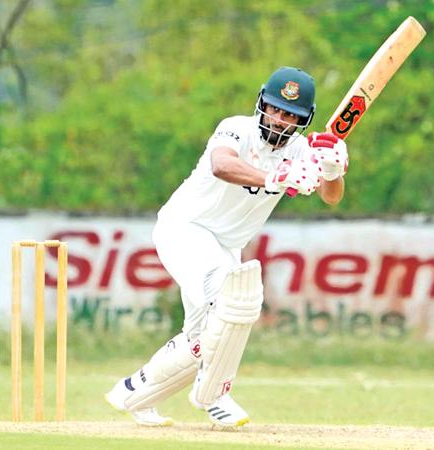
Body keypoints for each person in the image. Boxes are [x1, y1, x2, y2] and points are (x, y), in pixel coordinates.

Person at [105, 66, 348, 427]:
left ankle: (133, 395)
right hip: (185, 228)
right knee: (238, 299)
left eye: (290, 115)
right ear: (261, 103)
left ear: (303, 120)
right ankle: (214, 394)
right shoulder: (237, 128)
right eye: (275, 109)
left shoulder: (300, 151)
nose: (279, 120)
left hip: (225, 247)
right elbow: (222, 165)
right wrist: (275, 177)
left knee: (200, 340)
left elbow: (331, 198)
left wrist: (331, 171)